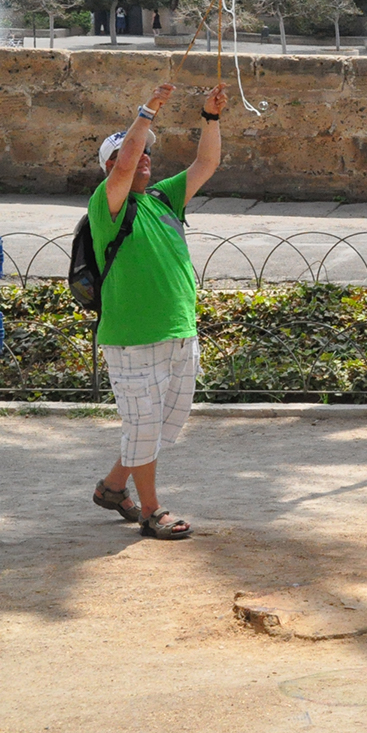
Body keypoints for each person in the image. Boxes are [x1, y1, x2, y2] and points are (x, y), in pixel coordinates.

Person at [89, 81, 228, 540]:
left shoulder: (164, 197)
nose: (142, 157)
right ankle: (152, 510)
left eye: (149, 152)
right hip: (131, 336)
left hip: (178, 330)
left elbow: (206, 163)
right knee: (144, 425)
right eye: (131, 154)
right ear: (109, 169)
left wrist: (210, 118)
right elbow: (125, 162)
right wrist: (146, 110)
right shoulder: (106, 205)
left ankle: (113, 487)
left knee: (160, 425)